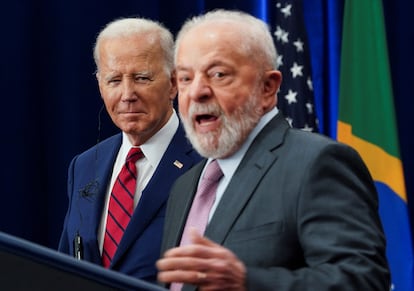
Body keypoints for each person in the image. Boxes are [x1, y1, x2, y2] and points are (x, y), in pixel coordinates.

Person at [156, 9, 390, 291]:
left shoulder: (316, 163)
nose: (196, 92)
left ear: (268, 88)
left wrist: (248, 282)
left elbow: (363, 281)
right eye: (185, 78)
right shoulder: (184, 186)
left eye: (218, 74)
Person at [58, 17, 201, 283]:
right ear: (100, 86)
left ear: (174, 83)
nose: (127, 94)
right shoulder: (84, 166)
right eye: (113, 80)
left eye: (141, 78)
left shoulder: (207, 162)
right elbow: (65, 268)